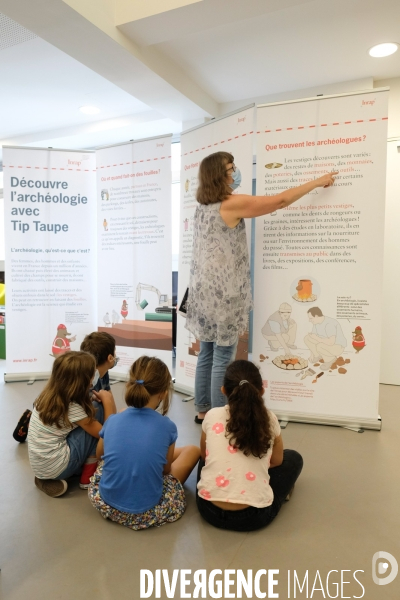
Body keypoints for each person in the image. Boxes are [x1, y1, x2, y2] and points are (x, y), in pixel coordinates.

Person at [186, 151, 337, 423]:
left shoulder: (202, 207)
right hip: (224, 296)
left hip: (203, 294)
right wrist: (317, 182)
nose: (235, 172)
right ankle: (220, 419)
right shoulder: (229, 204)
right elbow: (279, 201)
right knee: (222, 355)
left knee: (206, 352)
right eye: (232, 168)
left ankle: (203, 411)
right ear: (219, 175)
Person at [88, 356, 201, 530]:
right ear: (163, 393)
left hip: (106, 502)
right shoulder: (167, 427)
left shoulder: (113, 420)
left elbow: (100, 454)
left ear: (129, 385)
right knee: (193, 450)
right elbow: (165, 470)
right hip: (148, 510)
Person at [196, 360, 303, 531]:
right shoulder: (269, 419)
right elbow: (276, 461)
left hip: (209, 510)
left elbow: (204, 455)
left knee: (205, 460)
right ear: (261, 391)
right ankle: (259, 486)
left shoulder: (211, 415)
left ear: (223, 390)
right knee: (293, 459)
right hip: (253, 517)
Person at [27, 351, 116, 498]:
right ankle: (87, 477)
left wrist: (91, 398)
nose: (93, 378)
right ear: (81, 382)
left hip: (41, 465)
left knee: (92, 409)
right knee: (98, 412)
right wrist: (108, 402)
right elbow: (107, 434)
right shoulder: (72, 408)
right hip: (57, 466)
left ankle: (47, 477)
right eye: (91, 376)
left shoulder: (49, 395)